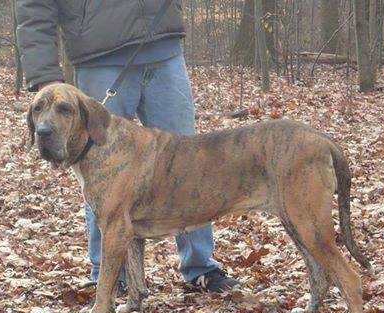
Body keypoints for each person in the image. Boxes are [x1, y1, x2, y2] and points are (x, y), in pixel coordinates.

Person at [16, 0, 239, 293]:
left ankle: (201, 268)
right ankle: (109, 278)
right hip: (99, 55)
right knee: (102, 172)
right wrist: (45, 76)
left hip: (164, 46)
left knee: (190, 164)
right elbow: (34, 8)